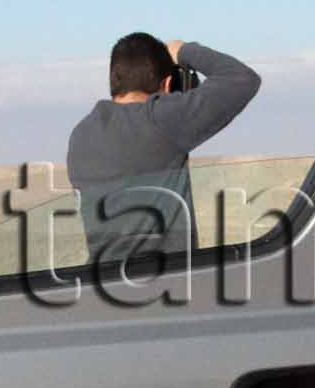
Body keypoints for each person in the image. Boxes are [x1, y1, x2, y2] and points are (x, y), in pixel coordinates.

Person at [65, 32, 260, 267]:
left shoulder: (81, 135)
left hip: (101, 280)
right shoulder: (161, 118)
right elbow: (242, 78)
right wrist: (182, 50)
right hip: (167, 280)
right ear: (167, 84)